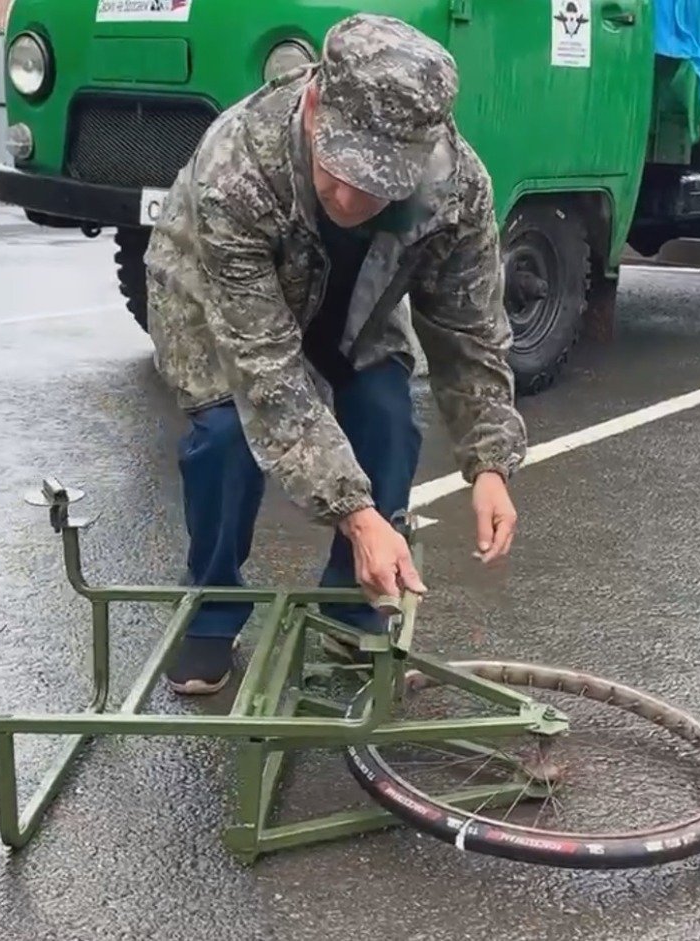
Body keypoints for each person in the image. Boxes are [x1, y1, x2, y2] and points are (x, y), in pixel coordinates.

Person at [143, 12, 528, 695]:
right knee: (227, 437)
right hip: (216, 295)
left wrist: (490, 463)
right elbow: (266, 369)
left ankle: (353, 607)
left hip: (353, 294)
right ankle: (210, 612)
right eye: (342, 167)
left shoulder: (456, 188)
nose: (351, 197)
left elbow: (469, 329)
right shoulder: (237, 165)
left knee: (386, 414)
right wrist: (355, 512)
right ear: (316, 102)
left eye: (380, 181)